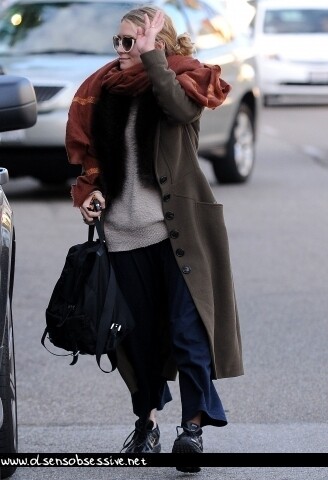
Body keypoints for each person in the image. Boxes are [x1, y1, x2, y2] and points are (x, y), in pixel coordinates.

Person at [65, 5, 243, 470]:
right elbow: (92, 164)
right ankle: (146, 428)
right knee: (137, 341)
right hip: (123, 237)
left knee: (188, 334)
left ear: (157, 46)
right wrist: (90, 194)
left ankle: (192, 430)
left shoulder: (184, 81)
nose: (121, 50)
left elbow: (179, 110)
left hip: (177, 235)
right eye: (118, 42)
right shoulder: (103, 92)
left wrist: (153, 61)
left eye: (131, 42)